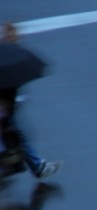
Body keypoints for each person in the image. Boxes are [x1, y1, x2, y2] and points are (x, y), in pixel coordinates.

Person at [1, 22, 61, 180]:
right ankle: (35, 166)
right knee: (16, 136)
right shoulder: (13, 61)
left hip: (6, 109)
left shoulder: (9, 59)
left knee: (17, 136)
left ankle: (35, 166)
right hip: (6, 109)